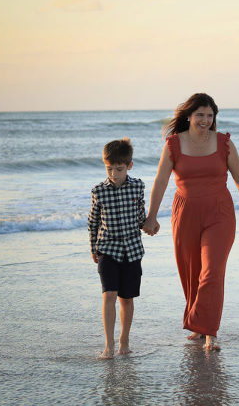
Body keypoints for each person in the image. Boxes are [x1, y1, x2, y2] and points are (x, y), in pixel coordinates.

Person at [143, 93, 239, 351]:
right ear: (188, 116)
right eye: (200, 115)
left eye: (209, 115)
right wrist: (152, 216)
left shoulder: (224, 143)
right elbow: (161, 181)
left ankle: (209, 331)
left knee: (212, 271)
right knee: (192, 272)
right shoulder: (173, 144)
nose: (205, 120)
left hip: (220, 213)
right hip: (185, 213)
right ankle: (198, 323)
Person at [88, 138, 148, 358]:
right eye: (109, 169)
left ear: (129, 165)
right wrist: (93, 248)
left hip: (132, 250)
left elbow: (141, 217)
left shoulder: (138, 187)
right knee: (109, 295)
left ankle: (124, 341)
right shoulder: (99, 191)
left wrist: (150, 224)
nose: (113, 174)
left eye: (119, 169)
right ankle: (109, 345)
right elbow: (93, 222)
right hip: (107, 249)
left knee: (127, 298)